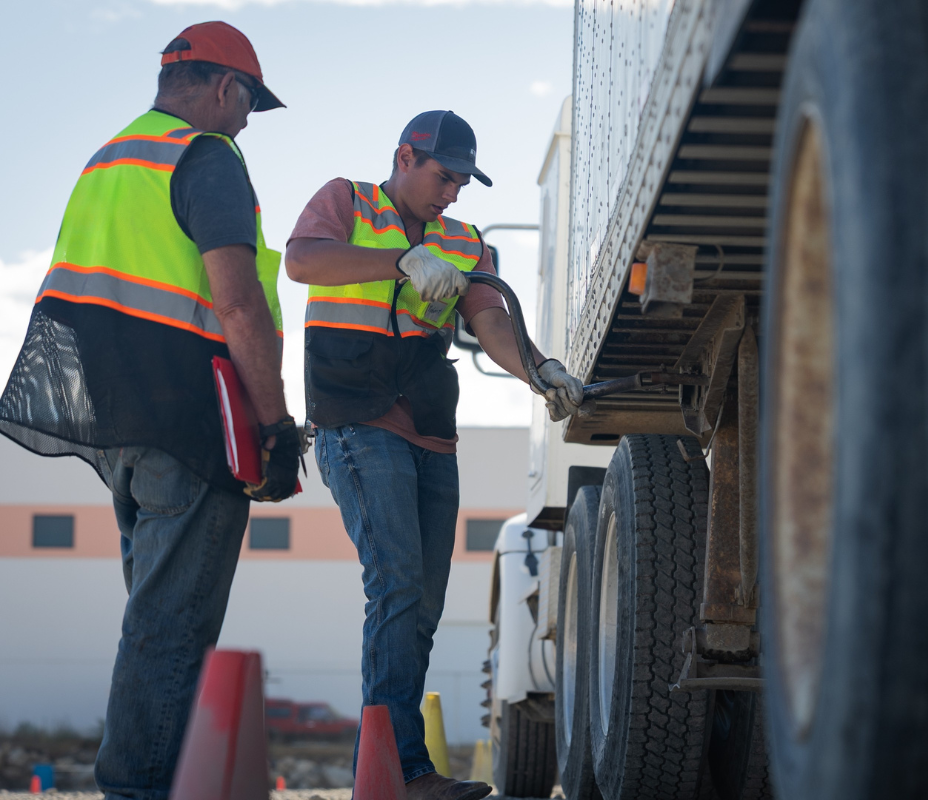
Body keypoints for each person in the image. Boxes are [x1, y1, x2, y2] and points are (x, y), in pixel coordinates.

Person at [0, 22, 300, 798]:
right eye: (248, 106)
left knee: (152, 618)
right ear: (224, 88)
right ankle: (137, 788)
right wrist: (275, 427)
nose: (244, 125)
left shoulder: (107, 160)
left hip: (119, 430)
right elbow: (237, 304)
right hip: (191, 428)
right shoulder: (206, 156)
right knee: (172, 628)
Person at [285, 110, 585, 800]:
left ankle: (382, 770)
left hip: (429, 430)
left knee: (419, 604)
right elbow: (303, 259)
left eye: (460, 184)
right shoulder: (349, 201)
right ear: (404, 156)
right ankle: (404, 772)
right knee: (395, 586)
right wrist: (400, 260)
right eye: (443, 178)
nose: (451, 195)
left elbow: (490, 321)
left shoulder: (462, 240)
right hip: (356, 422)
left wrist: (542, 373)